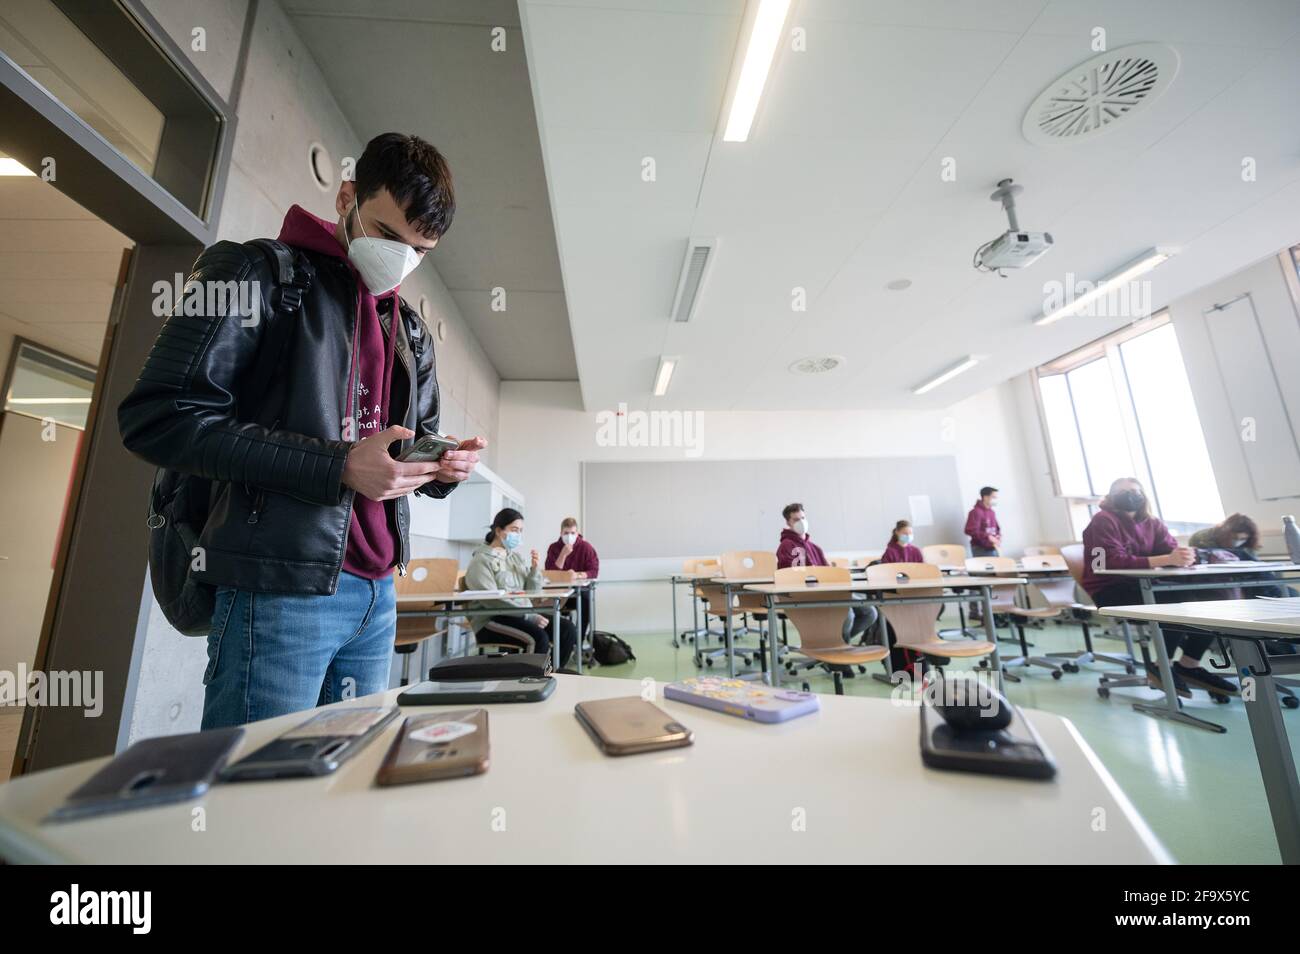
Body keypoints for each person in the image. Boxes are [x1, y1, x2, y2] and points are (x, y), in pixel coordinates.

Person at [118, 133, 485, 729]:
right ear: (347, 196)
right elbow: (159, 417)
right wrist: (337, 465)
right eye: (389, 235)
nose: (400, 258)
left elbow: (400, 450)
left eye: (419, 250)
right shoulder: (256, 274)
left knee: (338, 789)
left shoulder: (408, 330)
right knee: (256, 791)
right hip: (280, 585)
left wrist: (440, 469)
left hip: (378, 595)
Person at [1081, 478, 1238, 698]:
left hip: (1148, 585)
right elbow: (1107, 562)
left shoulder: (1152, 523)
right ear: (1110, 497)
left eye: (1135, 491)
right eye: (1122, 491)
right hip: (1112, 590)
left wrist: (1183, 557)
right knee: (1177, 601)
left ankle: (1189, 664)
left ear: (1143, 495)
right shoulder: (1102, 520)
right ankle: (1162, 665)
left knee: (1215, 595)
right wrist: (1164, 559)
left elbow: (1170, 550)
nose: (1130, 495)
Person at [466, 508, 577, 666]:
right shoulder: (481, 560)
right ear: (498, 531)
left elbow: (532, 592)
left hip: (519, 614)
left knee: (567, 629)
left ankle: (552, 674)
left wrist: (534, 569)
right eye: (514, 530)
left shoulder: (514, 557)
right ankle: (530, 684)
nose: (518, 535)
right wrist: (529, 616)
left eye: (520, 531)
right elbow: (491, 601)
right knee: (539, 637)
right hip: (491, 619)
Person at [775, 502, 876, 642]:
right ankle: (837, 651)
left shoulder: (815, 548)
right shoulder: (786, 545)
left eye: (803, 518)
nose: (801, 522)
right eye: (796, 520)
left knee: (869, 613)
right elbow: (788, 577)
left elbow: (828, 574)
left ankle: (836, 643)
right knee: (847, 615)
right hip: (807, 595)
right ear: (788, 522)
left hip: (827, 592)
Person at [545, 517, 598, 636]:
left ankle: (579, 637)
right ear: (561, 533)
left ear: (577, 533)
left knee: (586, 599)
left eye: (572, 533)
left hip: (578, 592)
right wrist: (563, 555)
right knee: (547, 601)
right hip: (558, 591)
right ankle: (556, 636)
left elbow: (593, 571)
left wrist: (578, 575)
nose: (569, 536)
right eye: (566, 533)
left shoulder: (586, 547)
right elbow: (550, 573)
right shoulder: (553, 548)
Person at [964, 486, 1001, 556]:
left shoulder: (992, 512)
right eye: (993, 497)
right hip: (980, 549)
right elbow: (970, 530)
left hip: (993, 547)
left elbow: (997, 529)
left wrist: (998, 536)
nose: (995, 499)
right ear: (985, 497)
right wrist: (988, 537)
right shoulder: (975, 512)